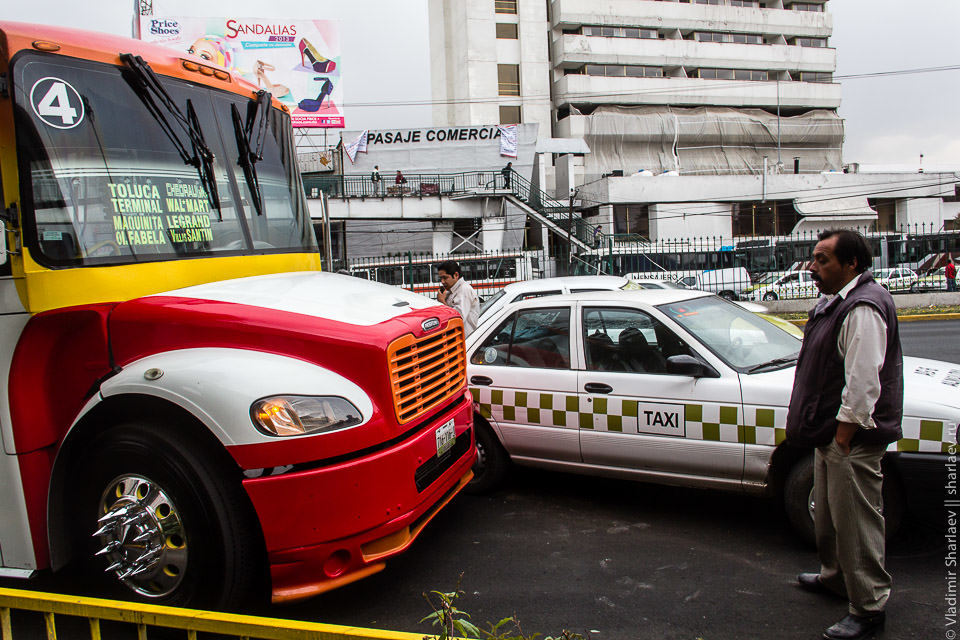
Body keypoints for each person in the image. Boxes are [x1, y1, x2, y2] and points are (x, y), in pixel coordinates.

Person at [786, 229, 903, 640]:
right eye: (813, 258)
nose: (812, 267)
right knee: (830, 521)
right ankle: (835, 578)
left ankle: (868, 607)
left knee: (856, 526)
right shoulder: (835, 302)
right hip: (829, 435)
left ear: (851, 263)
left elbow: (863, 382)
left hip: (850, 441)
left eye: (823, 260)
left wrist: (842, 437)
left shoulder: (863, 307)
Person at [436, 260, 480, 337]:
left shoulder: (464, 290)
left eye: (445, 278)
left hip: (465, 340)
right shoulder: (451, 290)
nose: (442, 282)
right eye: (440, 278)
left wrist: (442, 301)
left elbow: (457, 319)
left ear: (456, 275)